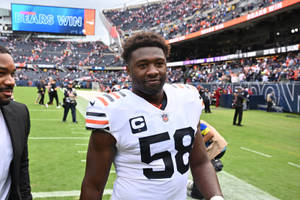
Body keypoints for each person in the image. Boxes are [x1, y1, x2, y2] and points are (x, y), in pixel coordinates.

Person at [80, 32, 223, 200]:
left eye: (159, 64)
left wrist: (216, 197)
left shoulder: (187, 99)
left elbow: (200, 162)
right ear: (128, 69)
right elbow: (93, 185)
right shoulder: (112, 111)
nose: (153, 71)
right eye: (143, 65)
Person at [0, 45, 32, 200]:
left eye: (12, 74)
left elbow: (21, 167)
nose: (11, 81)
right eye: (1, 73)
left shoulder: (20, 114)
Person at [188, 120, 227, 199]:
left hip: (217, 148)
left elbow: (210, 134)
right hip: (216, 147)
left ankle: (197, 194)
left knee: (200, 168)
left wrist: (197, 145)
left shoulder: (195, 121)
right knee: (200, 166)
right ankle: (215, 164)